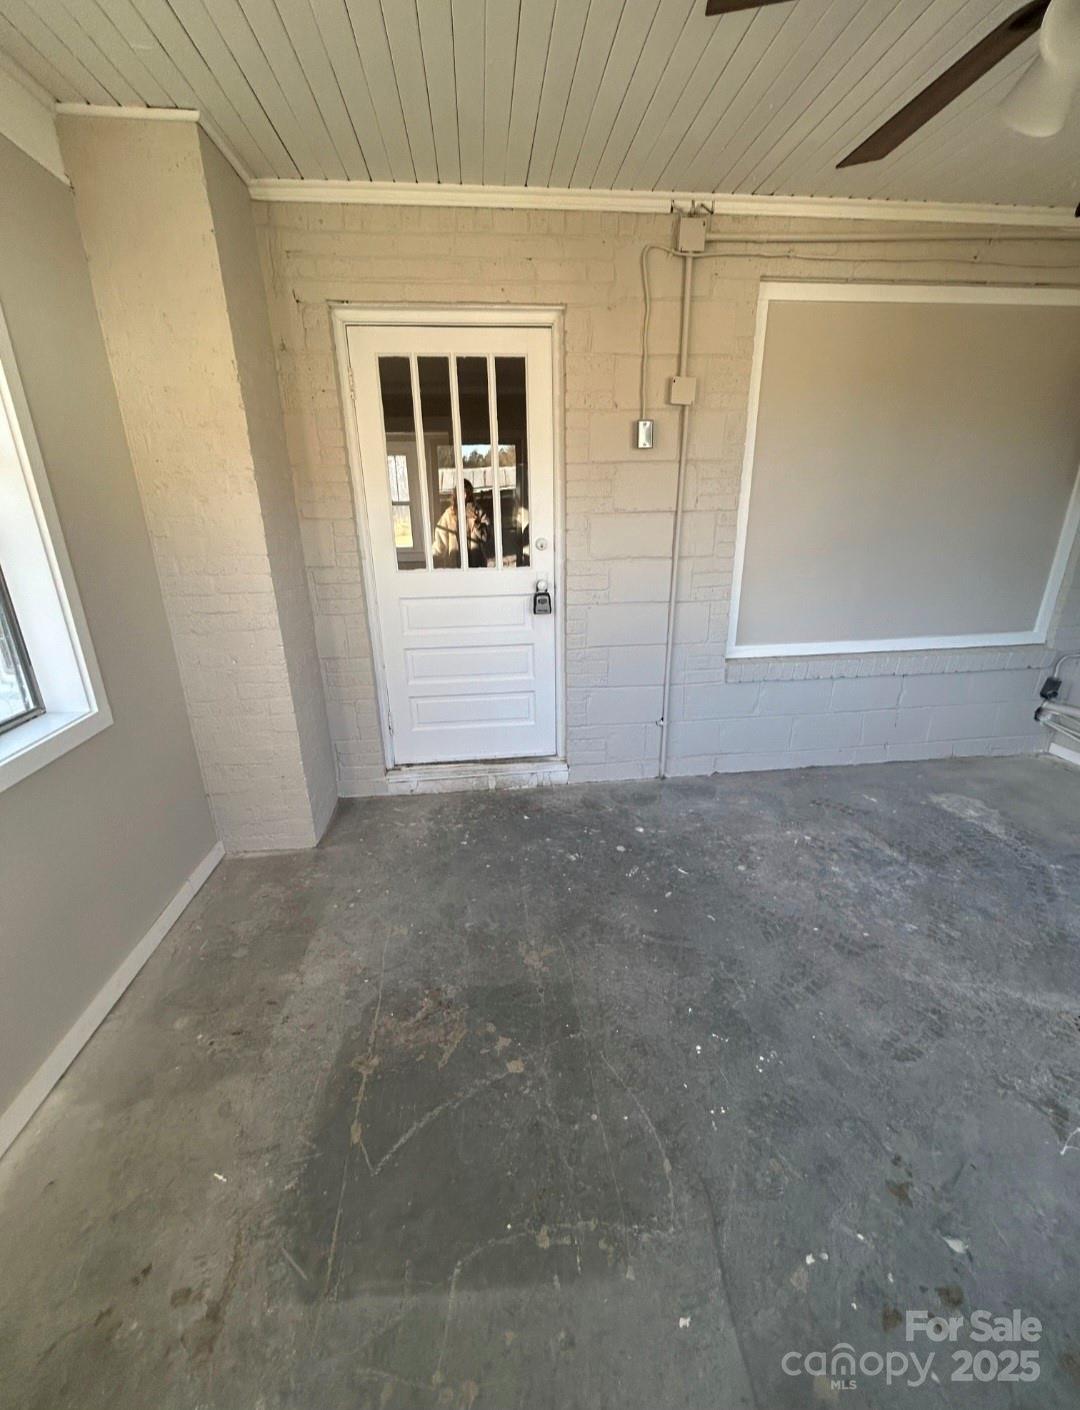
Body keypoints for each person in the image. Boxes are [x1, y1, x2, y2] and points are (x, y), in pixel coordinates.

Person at [432, 478, 492, 567]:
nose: (465, 496)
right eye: (463, 492)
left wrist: (477, 524)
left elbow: (487, 536)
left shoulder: (477, 511)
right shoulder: (449, 514)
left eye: (468, 492)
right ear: (456, 494)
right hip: (456, 565)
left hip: (476, 563)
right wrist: (433, 558)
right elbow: (440, 539)